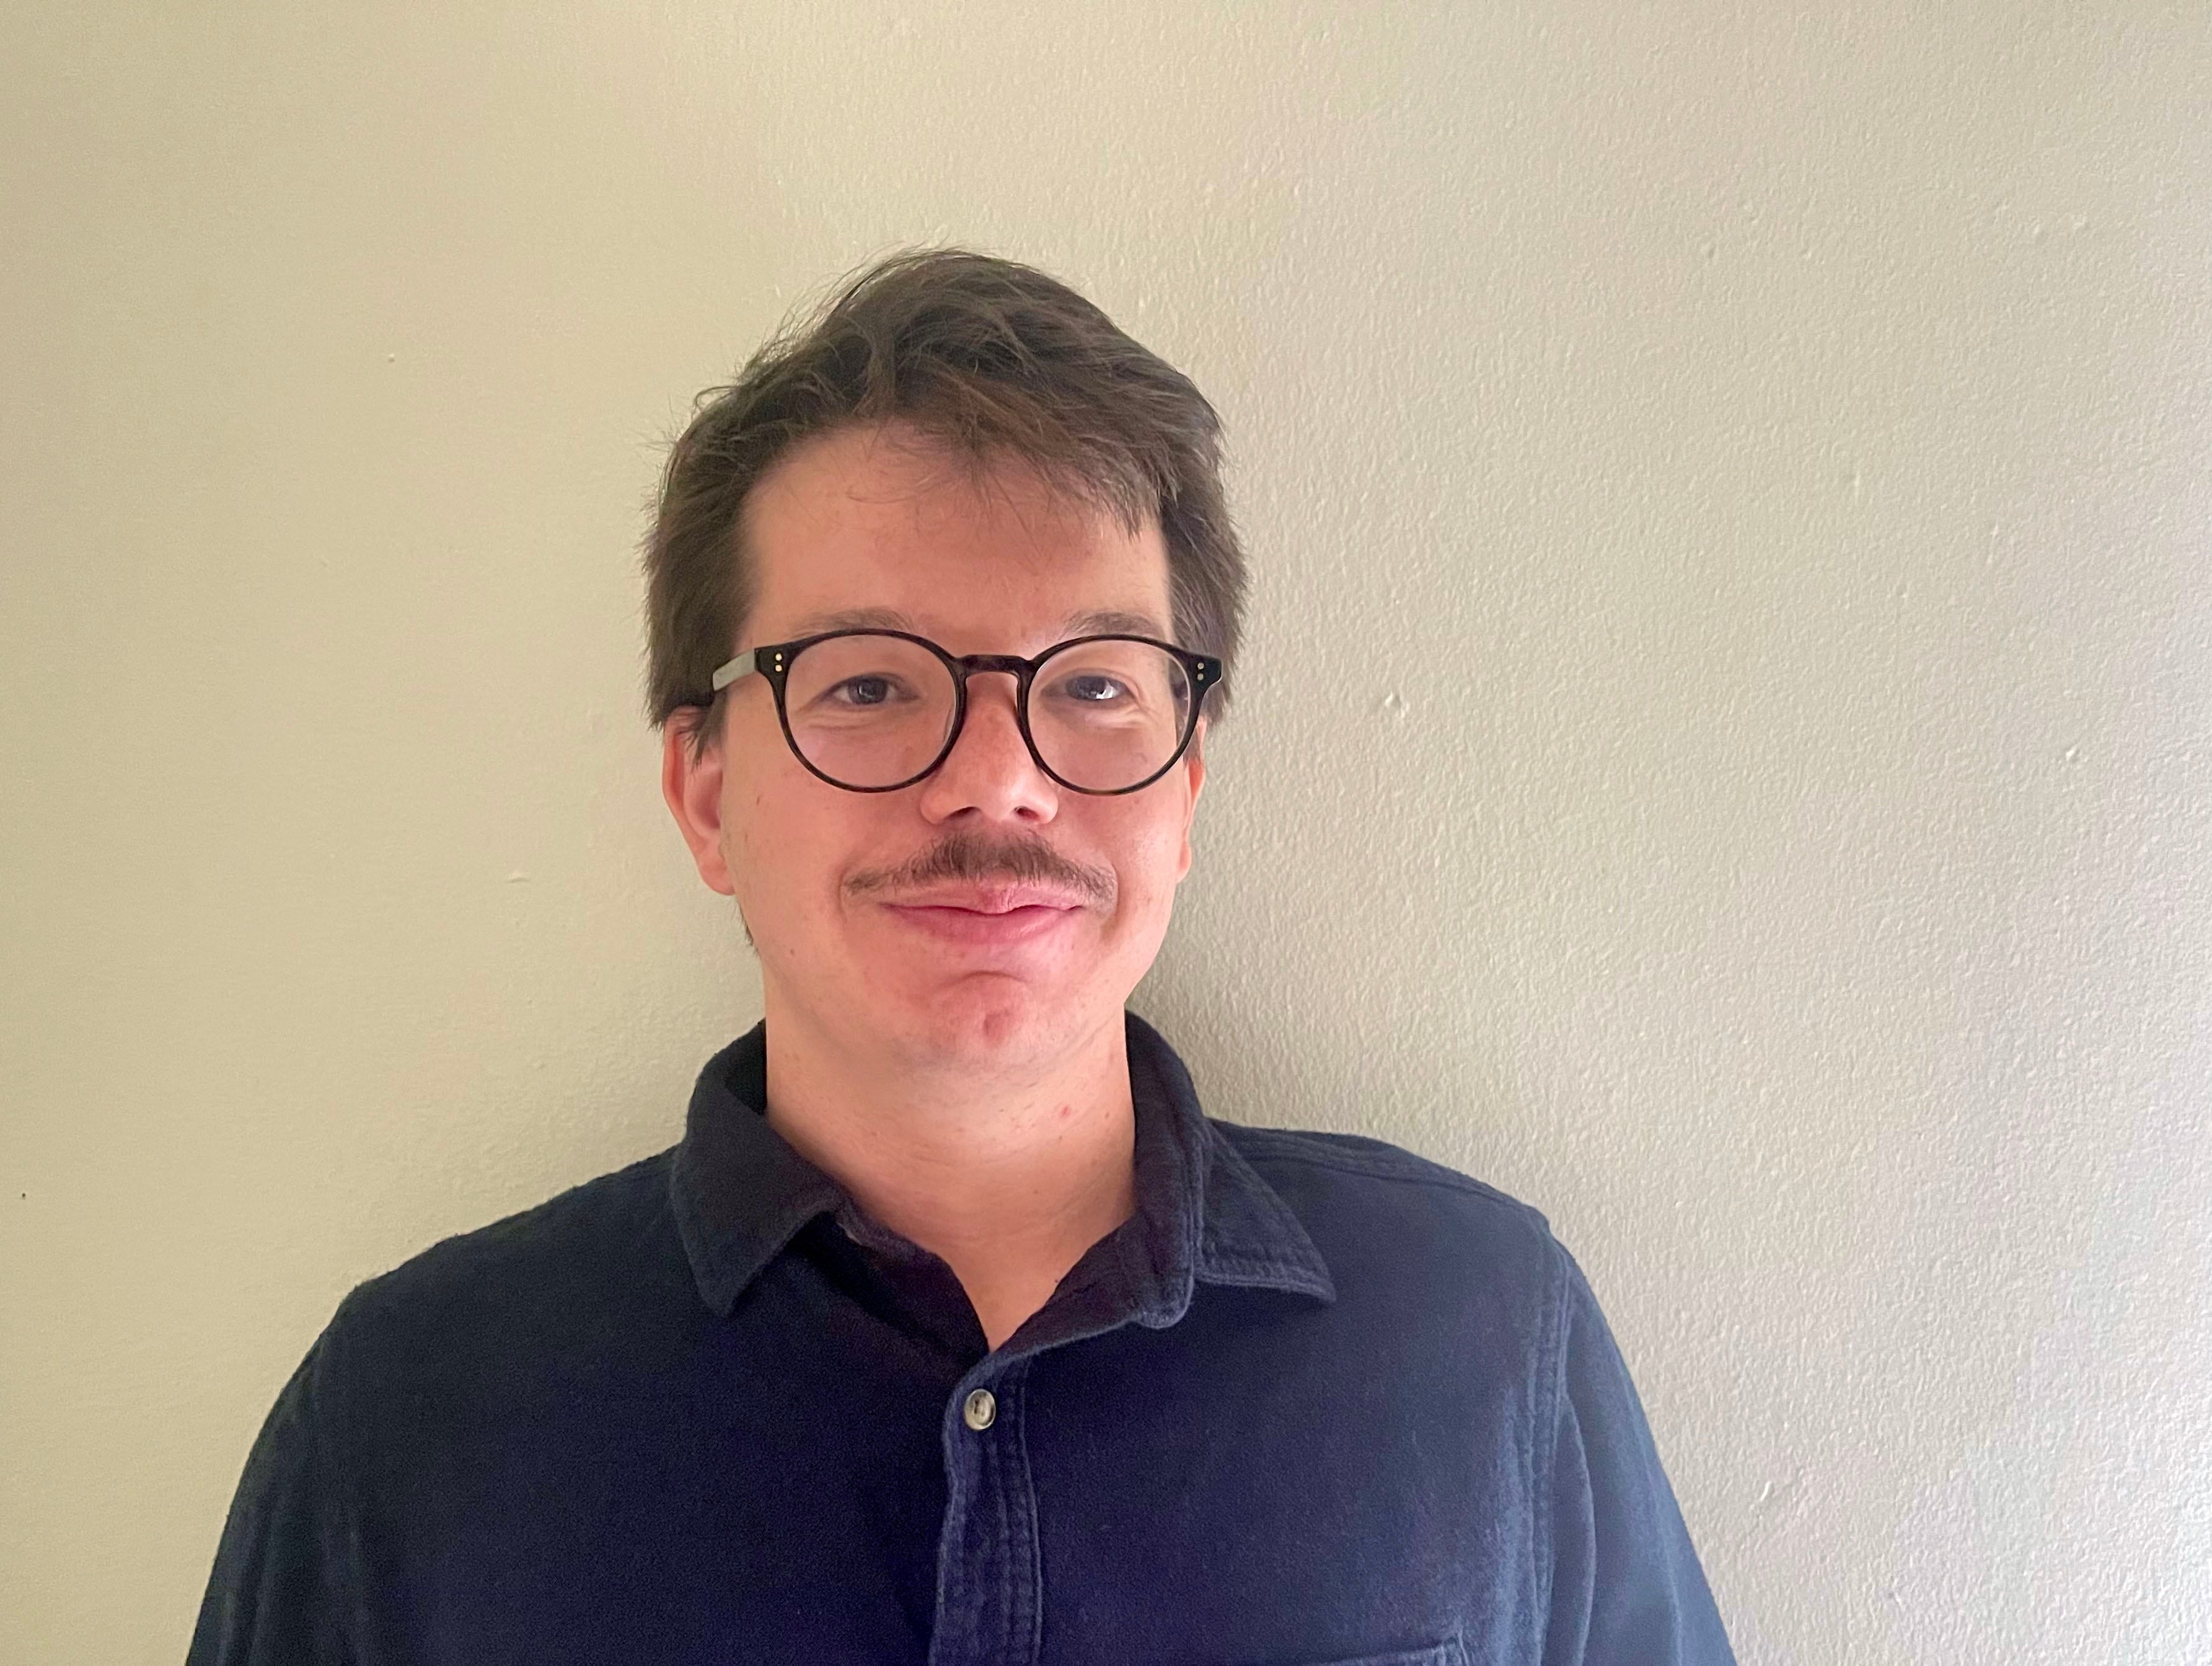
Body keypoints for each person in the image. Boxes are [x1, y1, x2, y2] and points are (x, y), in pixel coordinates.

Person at [187, 250, 1737, 1665]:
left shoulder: (1481, 1335)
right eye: (867, 685)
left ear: (1187, 792)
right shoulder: (412, 1419)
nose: (998, 780)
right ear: (706, 793)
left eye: (1096, 687)